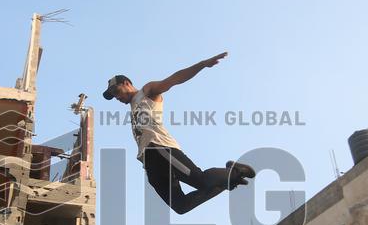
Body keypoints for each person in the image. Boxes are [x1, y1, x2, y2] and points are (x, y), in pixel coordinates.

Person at [103, 52, 255, 214]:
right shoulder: (132, 108)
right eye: (113, 96)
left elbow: (174, 79)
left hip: (159, 148)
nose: (116, 97)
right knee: (180, 206)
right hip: (149, 163)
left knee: (201, 180)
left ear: (126, 83)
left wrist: (202, 64)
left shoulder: (147, 92)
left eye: (116, 91)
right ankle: (229, 179)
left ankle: (234, 171)